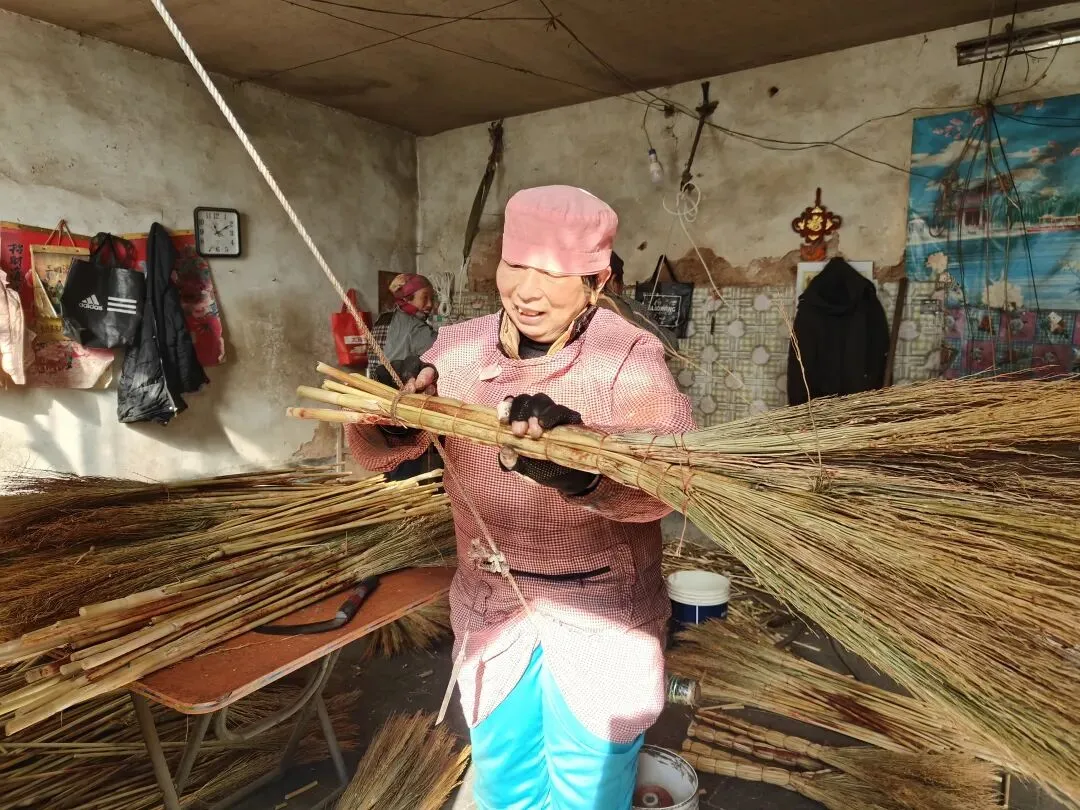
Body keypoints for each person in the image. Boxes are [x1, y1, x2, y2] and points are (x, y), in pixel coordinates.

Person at [347, 185, 694, 810]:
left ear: (596, 281)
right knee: (504, 777)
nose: (526, 291)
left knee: (589, 784)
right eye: (515, 266)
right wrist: (392, 424)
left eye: (552, 273)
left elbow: (670, 484)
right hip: (491, 606)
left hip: (603, 613)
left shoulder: (629, 359)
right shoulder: (458, 349)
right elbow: (383, 452)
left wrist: (581, 472)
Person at [367, 272, 441, 480]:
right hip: (402, 407)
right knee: (406, 462)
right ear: (407, 299)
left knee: (390, 459)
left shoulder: (383, 319)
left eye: (432, 298)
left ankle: (393, 488)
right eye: (424, 298)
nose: (430, 304)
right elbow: (442, 354)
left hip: (377, 401)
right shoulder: (417, 328)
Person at [596, 250, 680, 357]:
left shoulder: (577, 308)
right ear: (613, 281)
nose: (623, 287)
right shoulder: (629, 308)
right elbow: (670, 347)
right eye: (622, 282)